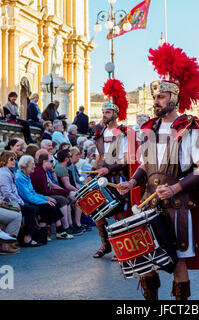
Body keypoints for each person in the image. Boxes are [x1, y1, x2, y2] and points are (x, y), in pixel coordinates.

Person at [119, 43, 199, 300]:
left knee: (178, 262)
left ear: (174, 99)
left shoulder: (188, 128)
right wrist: (132, 181)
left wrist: (175, 188)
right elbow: (146, 164)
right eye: (154, 97)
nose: (155, 101)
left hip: (177, 204)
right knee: (147, 261)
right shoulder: (150, 129)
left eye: (161, 97)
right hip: (149, 203)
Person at [88, 78, 142, 260]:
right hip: (101, 178)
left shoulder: (124, 133)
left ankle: (123, 248)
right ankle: (106, 245)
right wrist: (93, 172)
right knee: (98, 214)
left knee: (119, 214)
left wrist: (108, 169)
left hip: (117, 179)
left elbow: (127, 159)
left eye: (108, 112)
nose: (104, 115)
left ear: (115, 113)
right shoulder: (100, 134)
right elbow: (98, 157)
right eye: (103, 112)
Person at [15, 155, 73, 240]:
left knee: (52, 203)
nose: (34, 166)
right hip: (25, 202)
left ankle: (48, 231)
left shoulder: (27, 176)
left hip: (31, 199)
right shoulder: (20, 177)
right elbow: (28, 197)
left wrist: (46, 198)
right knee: (50, 206)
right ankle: (55, 231)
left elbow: (33, 193)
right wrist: (44, 201)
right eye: (32, 164)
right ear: (26, 165)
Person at [0, 151, 43, 247]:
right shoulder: (4, 174)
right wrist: (21, 203)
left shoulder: (9, 172)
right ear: (4, 160)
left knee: (32, 208)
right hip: (4, 203)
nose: (14, 161)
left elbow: (14, 193)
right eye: (11, 159)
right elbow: (7, 193)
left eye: (15, 159)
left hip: (11, 201)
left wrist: (21, 202)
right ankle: (26, 238)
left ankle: (25, 237)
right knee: (32, 209)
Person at [30, 152, 83, 236]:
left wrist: (65, 191)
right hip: (41, 196)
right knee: (62, 200)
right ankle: (66, 227)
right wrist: (64, 192)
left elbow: (52, 185)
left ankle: (71, 225)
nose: (53, 163)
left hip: (46, 194)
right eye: (51, 161)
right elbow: (44, 192)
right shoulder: (38, 172)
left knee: (67, 198)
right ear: (44, 162)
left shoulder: (44, 170)